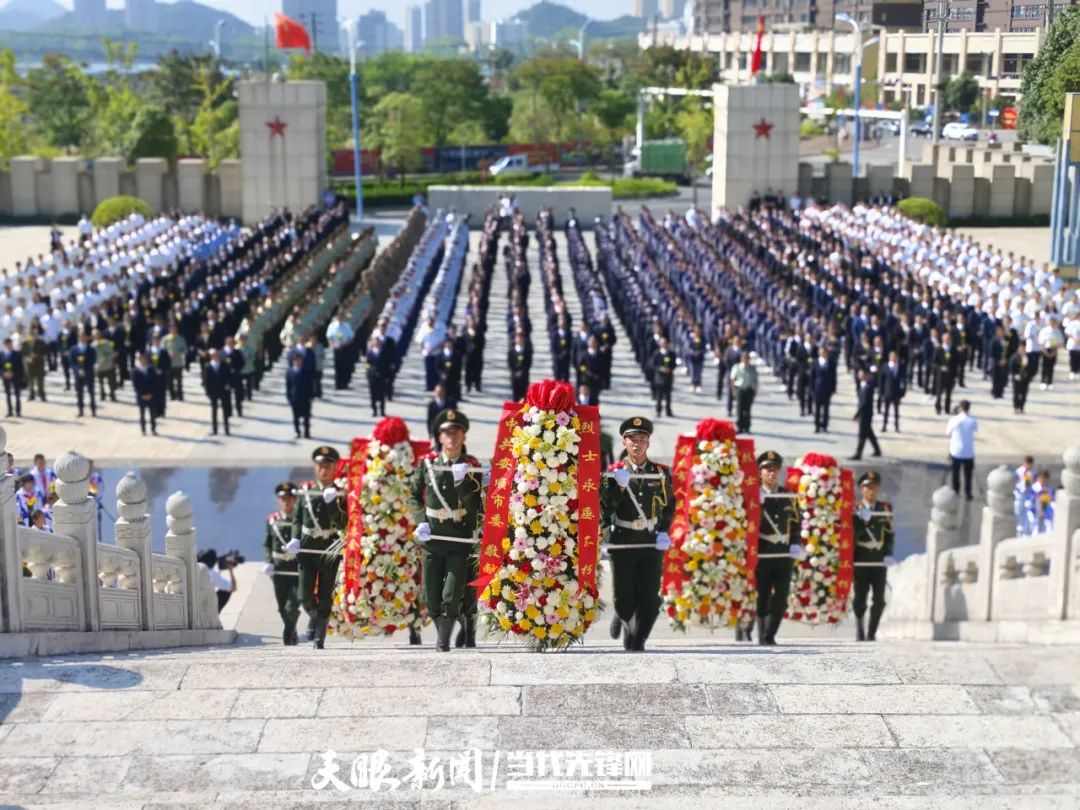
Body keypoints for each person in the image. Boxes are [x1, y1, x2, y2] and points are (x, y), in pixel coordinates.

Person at [409, 409, 485, 652]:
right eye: (447, 433)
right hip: (432, 537)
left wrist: (462, 483)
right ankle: (459, 622)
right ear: (440, 437)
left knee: (451, 596)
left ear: (463, 436)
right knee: (430, 599)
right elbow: (413, 496)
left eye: (456, 432)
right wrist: (420, 520)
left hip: (459, 537)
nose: (451, 437)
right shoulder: (427, 464)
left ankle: (443, 644)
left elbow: (476, 506)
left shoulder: (471, 465)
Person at [601, 417, 674, 652]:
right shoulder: (614, 473)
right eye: (632, 439)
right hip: (623, 541)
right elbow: (605, 509)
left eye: (642, 439)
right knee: (624, 599)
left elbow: (669, 506)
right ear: (624, 442)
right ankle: (622, 616)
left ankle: (637, 641)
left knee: (650, 600)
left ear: (648, 443)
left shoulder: (660, 473)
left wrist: (664, 532)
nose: (637, 444)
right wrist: (619, 488)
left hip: (650, 541)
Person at [287, 445, 348, 650]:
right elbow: (297, 519)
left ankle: (319, 638)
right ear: (315, 467)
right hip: (307, 548)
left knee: (324, 595)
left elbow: (344, 523)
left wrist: (332, 504)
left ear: (334, 467)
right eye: (320, 465)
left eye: (328, 465)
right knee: (304, 595)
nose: (324, 469)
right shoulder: (305, 491)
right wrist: (295, 539)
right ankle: (317, 617)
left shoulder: (341, 492)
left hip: (329, 549)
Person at [745, 451, 803, 645]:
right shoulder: (753, 495)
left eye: (775, 469)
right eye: (767, 469)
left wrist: (795, 542)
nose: (771, 473)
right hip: (763, 553)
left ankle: (770, 635)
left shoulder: (788, 496)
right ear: (760, 473)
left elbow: (796, 522)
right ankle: (763, 635)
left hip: (783, 554)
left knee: (781, 598)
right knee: (762, 596)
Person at [851, 471, 895, 642]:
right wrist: (863, 522)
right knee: (860, 598)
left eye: (874, 487)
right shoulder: (855, 509)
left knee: (879, 600)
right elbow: (852, 534)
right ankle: (860, 631)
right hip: (861, 557)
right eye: (867, 487)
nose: (871, 491)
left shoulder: (884, 509)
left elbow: (889, 534)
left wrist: (888, 553)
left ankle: (872, 632)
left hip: (878, 558)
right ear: (861, 490)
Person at [262, 482, 301, 645]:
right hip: (279, 570)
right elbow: (268, 544)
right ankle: (292, 632)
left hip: (296, 570)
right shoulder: (273, 521)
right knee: (282, 606)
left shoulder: (300, 520)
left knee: (292, 606)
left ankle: (287, 637)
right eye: (283, 499)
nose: (286, 502)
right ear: (278, 500)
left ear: (294, 500)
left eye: (289, 498)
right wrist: (269, 561)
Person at [945, 400, 978, 501]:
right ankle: (968, 493)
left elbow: (947, 432)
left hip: (956, 451)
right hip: (968, 451)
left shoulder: (954, 420)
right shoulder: (972, 420)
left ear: (960, 407)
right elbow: (975, 429)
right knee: (968, 474)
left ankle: (956, 491)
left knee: (956, 473)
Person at [849, 367, 882, 460]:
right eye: (859, 374)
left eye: (861, 374)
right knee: (869, 433)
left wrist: (857, 414)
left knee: (862, 434)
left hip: (866, 414)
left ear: (866, 375)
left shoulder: (868, 387)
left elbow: (864, 403)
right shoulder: (862, 385)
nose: (859, 375)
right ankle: (877, 450)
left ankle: (858, 454)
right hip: (865, 413)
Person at [203, 348, 232, 436]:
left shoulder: (224, 365)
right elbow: (206, 381)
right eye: (213, 355)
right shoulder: (208, 366)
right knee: (214, 410)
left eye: (216, 355)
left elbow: (229, 376)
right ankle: (214, 430)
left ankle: (226, 429)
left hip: (223, 390)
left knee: (225, 410)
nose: (215, 356)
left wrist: (228, 385)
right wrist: (207, 392)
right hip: (213, 391)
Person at [69, 331, 97, 418]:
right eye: (80, 337)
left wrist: (86, 371)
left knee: (91, 392)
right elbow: (72, 363)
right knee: (79, 393)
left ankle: (93, 410)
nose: (82, 338)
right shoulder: (73, 349)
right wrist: (78, 370)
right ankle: (80, 410)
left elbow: (93, 361)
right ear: (78, 338)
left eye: (84, 337)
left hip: (89, 373)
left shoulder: (91, 349)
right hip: (78, 375)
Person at [286, 353, 314, 439]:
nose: (298, 362)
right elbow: (288, 386)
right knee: (295, 416)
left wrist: (311, 396)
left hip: (305, 397)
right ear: (293, 361)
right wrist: (288, 397)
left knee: (306, 416)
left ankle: (307, 432)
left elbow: (310, 385)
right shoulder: (290, 372)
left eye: (299, 360)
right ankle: (297, 431)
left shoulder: (306, 372)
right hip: (295, 397)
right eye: (296, 360)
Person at [729, 351, 758, 434]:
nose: (746, 360)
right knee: (739, 409)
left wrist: (755, 391)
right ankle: (739, 427)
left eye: (747, 359)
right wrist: (733, 390)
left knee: (747, 409)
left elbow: (755, 380)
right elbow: (733, 379)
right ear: (742, 359)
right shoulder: (737, 367)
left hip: (748, 389)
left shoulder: (752, 368)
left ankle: (747, 427)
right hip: (740, 389)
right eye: (744, 358)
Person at [810, 346, 835, 433]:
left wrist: (833, 388)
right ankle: (817, 426)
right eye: (821, 352)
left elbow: (833, 376)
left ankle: (825, 426)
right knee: (817, 409)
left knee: (826, 409)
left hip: (827, 388)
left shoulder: (830, 363)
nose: (822, 353)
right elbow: (812, 377)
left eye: (824, 352)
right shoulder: (815, 362)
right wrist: (811, 388)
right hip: (817, 388)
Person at [131, 352, 157, 435]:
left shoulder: (151, 369)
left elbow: (155, 383)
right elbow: (135, 385)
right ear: (139, 360)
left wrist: (151, 394)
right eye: (141, 360)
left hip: (151, 396)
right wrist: (142, 395)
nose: (143, 361)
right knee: (142, 414)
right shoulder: (135, 371)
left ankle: (153, 429)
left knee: (152, 414)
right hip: (141, 396)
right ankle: (143, 430)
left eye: (145, 359)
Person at [879, 350, 905, 433]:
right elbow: (881, 381)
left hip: (897, 393)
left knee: (896, 411)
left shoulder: (900, 367)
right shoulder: (885, 366)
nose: (893, 358)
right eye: (892, 356)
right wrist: (881, 392)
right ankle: (884, 426)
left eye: (895, 357)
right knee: (886, 411)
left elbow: (903, 381)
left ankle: (897, 427)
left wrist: (902, 392)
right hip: (887, 392)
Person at [651, 335, 677, 417]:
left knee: (668, 396)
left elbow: (674, 364)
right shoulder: (657, 353)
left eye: (666, 343)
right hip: (659, 378)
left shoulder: (672, 353)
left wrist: (670, 369)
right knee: (659, 396)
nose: (664, 344)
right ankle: (658, 410)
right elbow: (653, 364)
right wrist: (660, 368)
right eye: (663, 343)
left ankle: (668, 411)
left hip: (668, 377)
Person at [1, 337, 25, 418]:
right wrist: (3, 374)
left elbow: (20, 367)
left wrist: (14, 374)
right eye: (7, 344)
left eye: (10, 344)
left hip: (15, 377)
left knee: (17, 395)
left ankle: (18, 411)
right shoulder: (1, 354)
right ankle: (10, 411)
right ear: (4, 344)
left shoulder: (17, 354)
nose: (9, 345)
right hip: (6, 377)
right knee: (8, 395)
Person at [1014, 456, 1036, 536]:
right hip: (1019, 494)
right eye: (1028, 464)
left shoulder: (1033, 472)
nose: (1029, 466)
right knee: (1018, 512)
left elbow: (1035, 483)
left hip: (1029, 496)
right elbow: (1014, 481)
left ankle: (1026, 531)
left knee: (1028, 513)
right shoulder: (1019, 471)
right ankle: (1018, 530)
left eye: (1031, 464)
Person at [1008, 349, 1031, 415]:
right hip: (1016, 378)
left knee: (1024, 394)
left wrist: (1028, 375)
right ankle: (1016, 408)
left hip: (1025, 379)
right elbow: (1011, 367)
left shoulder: (1028, 357)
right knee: (1016, 393)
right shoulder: (1015, 357)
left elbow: (1031, 367)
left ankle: (1021, 408)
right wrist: (1015, 375)